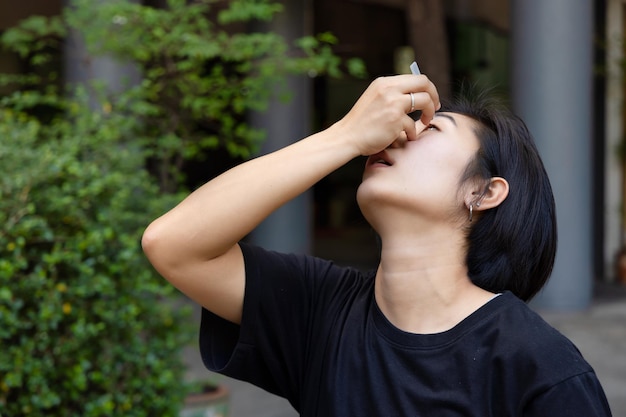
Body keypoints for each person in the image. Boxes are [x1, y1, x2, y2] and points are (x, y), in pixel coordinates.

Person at [142, 73, 613, 416]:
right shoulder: (320, 309)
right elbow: (173, 244)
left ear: (483, 191)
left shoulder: (540, 368)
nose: (397, 134)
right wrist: (344, 135)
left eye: (429, 128)